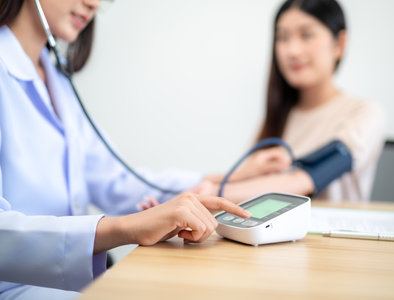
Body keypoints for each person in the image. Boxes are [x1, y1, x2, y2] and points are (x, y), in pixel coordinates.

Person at [0, 0, 251, 298]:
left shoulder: (56, 80)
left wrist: (213, 188)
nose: (93, 4)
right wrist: (124, 229)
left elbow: (115, 181)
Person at [195, 0, 386, 203]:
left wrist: (215, 193)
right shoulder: (276, 117)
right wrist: (202, 189)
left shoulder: (364, 113)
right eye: (283, 37)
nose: (292, 50)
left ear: (339, 44)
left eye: (306, 35)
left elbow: (306, 179)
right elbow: (241, 181)